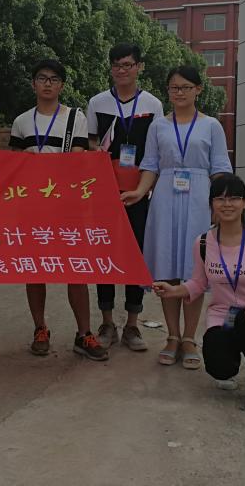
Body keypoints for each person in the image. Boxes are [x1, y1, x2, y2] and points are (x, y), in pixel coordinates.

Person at [122, 65, 231, 370]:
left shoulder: (211, 126)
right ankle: (171, 336)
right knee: (167, 268)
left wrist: (220, 204)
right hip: (165, 198)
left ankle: (189, 338)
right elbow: (151, 164)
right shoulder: (158, 126)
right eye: (173, 88)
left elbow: (220, 167)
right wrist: (140, 191)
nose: (179, 92)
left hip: (199, 198)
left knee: (195, 270)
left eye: (185, 87)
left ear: (198, 90)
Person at [153, 174, 245, 413]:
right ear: (211, 204)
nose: (227, 204)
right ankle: (230, 363)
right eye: (220, 199)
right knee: (219, 368)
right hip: (223, 317)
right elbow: (198, 283)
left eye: (234, 198)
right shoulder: (203, 243)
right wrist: (174, 291)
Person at [9, 58, 108, 361]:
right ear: (33, 84)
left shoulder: (76, 118)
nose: (48, 83)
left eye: (54, 79)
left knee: (75, 270)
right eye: (42, 78)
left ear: (62, 85)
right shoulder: (22, 121)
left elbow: (76, 159)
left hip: (67, 206)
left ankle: (84, 333)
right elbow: (14, 164)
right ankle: (40, 328)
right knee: (35, 270)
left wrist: (38, 166)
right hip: (33, 207)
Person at [85, 43, 164, 352]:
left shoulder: (153, 105)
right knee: (103, 254)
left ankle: (132, 324)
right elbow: (91, 144)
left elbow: (154, 154)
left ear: (139, 67)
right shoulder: (97, 102)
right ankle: (107, 322)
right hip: (105, 192)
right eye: (117, 65)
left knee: (136, 255)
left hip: (139, 191)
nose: (122, 70)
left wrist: (142, 190)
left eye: (128, 64)